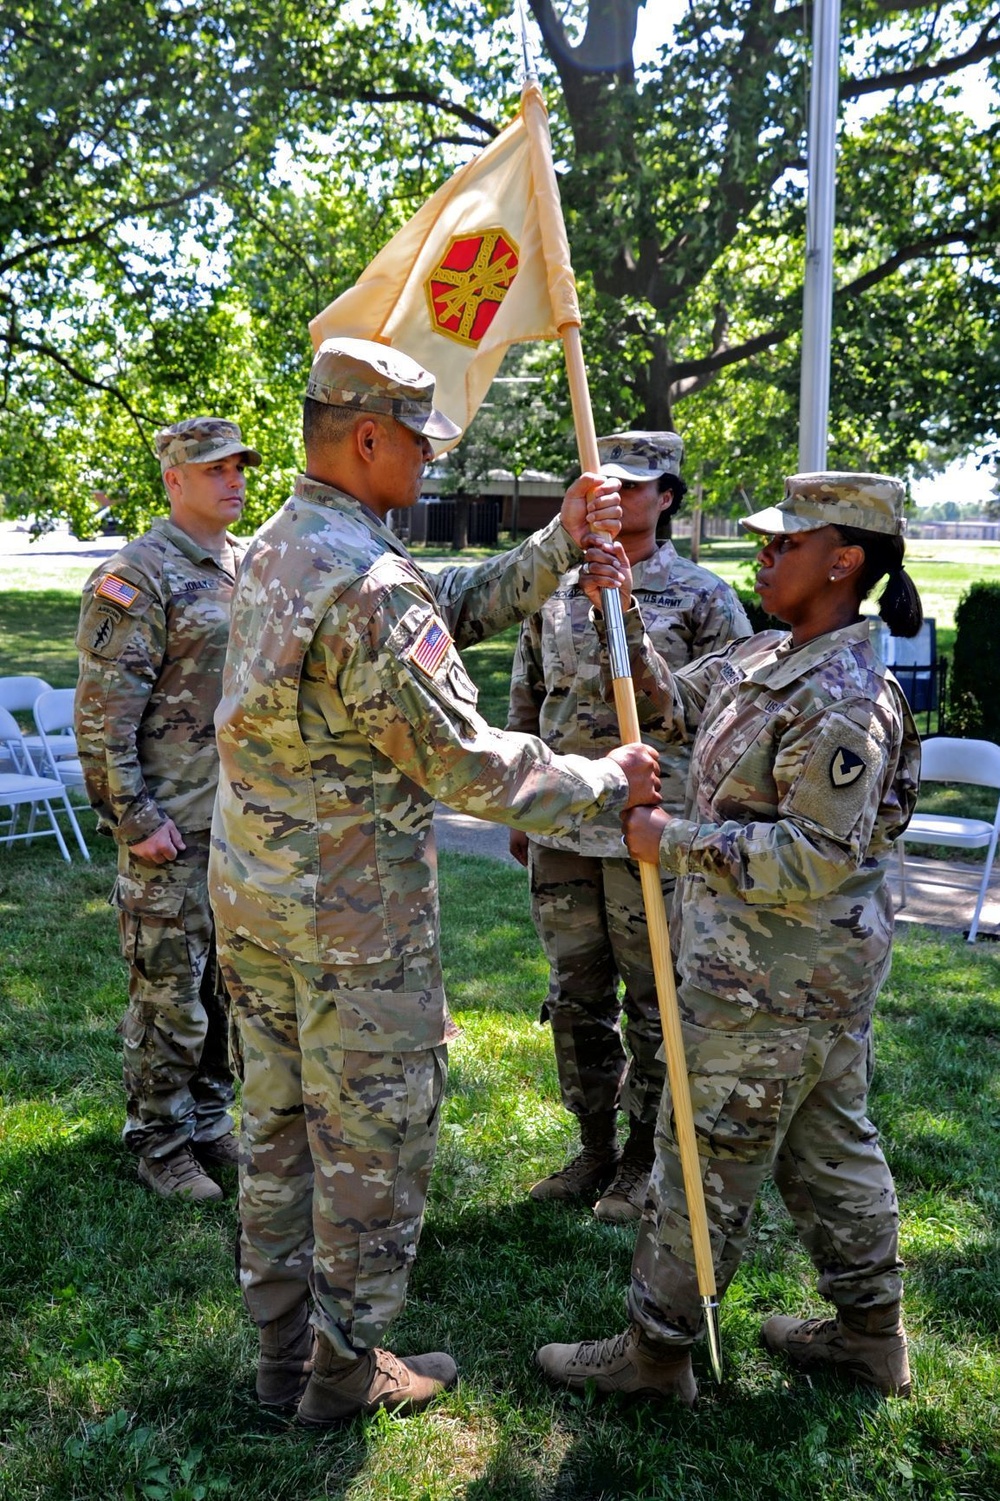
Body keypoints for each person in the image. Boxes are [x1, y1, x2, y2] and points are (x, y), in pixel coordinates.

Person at [208, 336, 662, 1425]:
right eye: (418, 442)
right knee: (372, 1142)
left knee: (274, 1134)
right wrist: (606, 777)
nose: (429, 465)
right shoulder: (365, 581)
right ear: (367, 437)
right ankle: (343, 1371)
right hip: (349, 926)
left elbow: (436, 607)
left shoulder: (283, 542)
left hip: (258, 899)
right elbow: (464, 760)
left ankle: (281, 1356)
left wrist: (556, 547)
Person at [536, 471, 922, 1405]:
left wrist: (673, 842)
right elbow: (667, 704)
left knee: (700, 1154)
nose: (765, 553)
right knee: (828, 1146)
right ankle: (872, 1339)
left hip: (775, 979)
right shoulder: (768, 657)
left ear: (845, 561)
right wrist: (616, 602)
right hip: (781, 973)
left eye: (786, 543)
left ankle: (656, 1354)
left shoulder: (845, 696)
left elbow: (816, 855)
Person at [507, 431, 752, 1221]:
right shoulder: (554, 585)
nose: (618, 496)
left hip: (651, 823)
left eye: (635, 484)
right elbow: (527, 693)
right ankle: (594, 1146)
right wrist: (522, 803)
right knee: (574, 995)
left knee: (654, 998)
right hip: (563, 821)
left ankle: (647, 1154)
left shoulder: (704, 597)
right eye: (605, 482)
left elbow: (731, 712)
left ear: (668, 496)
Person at [75, 417, 261, 1203]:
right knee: (168, 992)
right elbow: (100, 720)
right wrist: (136, 819)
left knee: (224, 988)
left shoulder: (247, 566)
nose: (234, 480)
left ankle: (209, 1117)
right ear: (173, 480)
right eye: (214, 469)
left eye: (241, 466)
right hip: (171, 827)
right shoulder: (138, 576)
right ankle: (159, 1136)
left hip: (243, 827)